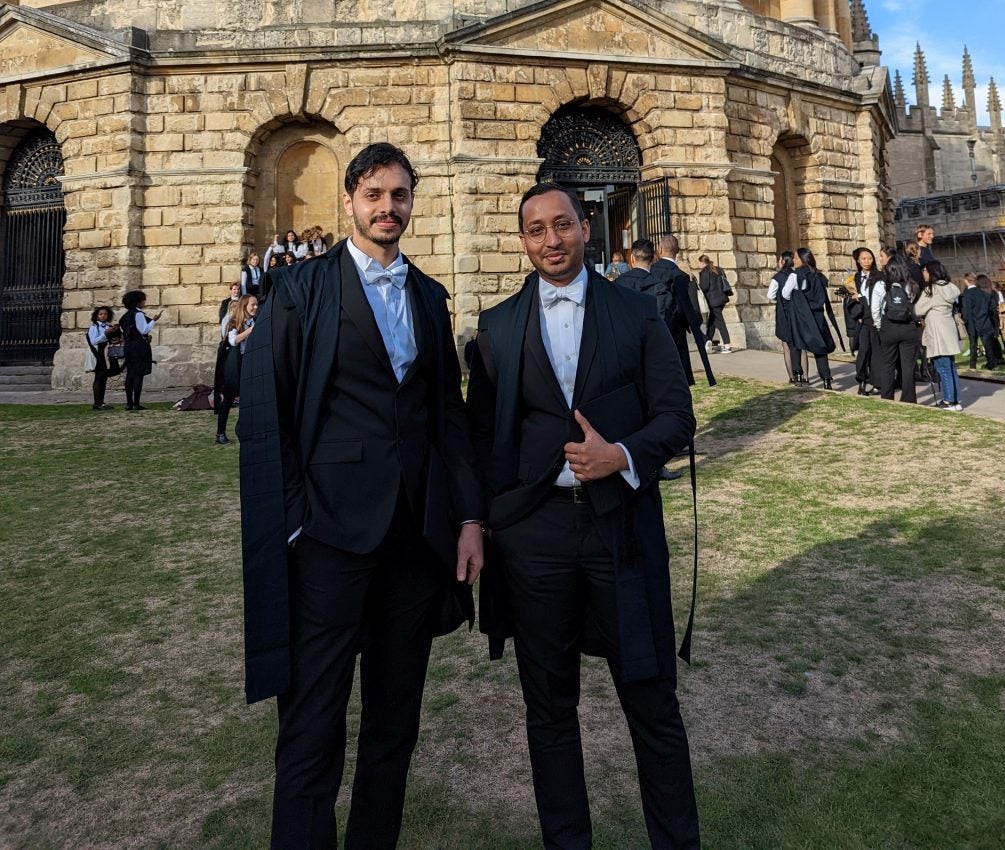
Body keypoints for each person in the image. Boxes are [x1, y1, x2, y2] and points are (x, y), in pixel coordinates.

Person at [237, 142, 485, 849]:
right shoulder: (299, 290)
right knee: (312, 724)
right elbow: (269, 418)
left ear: (412, 202)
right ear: (348, 200)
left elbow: (448, 418)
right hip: (325, 543)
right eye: (374, 195)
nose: (388, 208)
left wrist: (468, 516)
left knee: (394, 724)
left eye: (399, 195)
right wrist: (293, 525)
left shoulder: (431, 297)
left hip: (413, 541)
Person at [467, 182, 700, 850]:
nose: (551, 241)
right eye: (535, 230)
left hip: (619, 528)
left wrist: (621, 454)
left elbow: (676, 415)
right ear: (523, 240)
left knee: (651, 700)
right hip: (534, 534)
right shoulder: (499, 325)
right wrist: (483, 521)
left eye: (562, 225)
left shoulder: (636, 313)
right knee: (549, 709)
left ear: (585, 228)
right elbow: (481, 432)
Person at [614, 238, 684, 481]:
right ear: (653, 258)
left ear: (632, 258)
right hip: (650, 361)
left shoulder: (615, 286)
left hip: (620, 359)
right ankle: (654, 464)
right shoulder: (659, 286)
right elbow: (663, 327)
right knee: (654, 412)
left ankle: (625, 460)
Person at [649, 234, 714, 388]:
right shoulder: (682, 275)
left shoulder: (650, 272)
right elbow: (688, 309)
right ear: (677, 251)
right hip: (675, 331)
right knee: (677, 378)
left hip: (652, 330)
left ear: (660, 249)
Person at [781, 248, 836, 389]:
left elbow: (785, 294)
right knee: (819, 347)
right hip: (817, 315)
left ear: (804, 260)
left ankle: (798, 374)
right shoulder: (819, 276)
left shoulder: (795, 276)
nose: (794, 260)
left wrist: (797, 298)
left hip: (801, 315)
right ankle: (826, 379)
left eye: (796, 258)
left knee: (795, 344)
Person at [915, 260, 963, 410]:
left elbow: (918, 309)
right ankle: (956, 400)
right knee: (950, 365)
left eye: (925, 271)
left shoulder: (932, 290)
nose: (923, 274)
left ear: (931, 272)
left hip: (937, 330)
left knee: (942, 366)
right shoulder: (950, 287)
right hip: (948, 328)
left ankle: (949, 400)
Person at [872, 253, 920, 402]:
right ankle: (909, 399)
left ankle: (887, 397)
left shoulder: (881, 284)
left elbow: (875, 309)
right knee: (908, 366)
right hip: (908, 326)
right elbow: (913, 306)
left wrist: (880, 326)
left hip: (889, 326)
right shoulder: (911, 285)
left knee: (887, 364)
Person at [215, 295, 257, 444]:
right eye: (253, 305)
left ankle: (245, 431)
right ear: (245, 306)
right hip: (234, 365)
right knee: (228, 399)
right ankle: (220, 433)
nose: (255, 307)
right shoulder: (234, 322)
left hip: (248, 362)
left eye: (256, 304)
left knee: (249, 399)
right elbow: (233, 341)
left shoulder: (254, 321)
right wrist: (250, 331)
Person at [848, 247, 884, 395]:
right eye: (863, 258)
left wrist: (862, 298)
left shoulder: (879, 276)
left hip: (875, 318)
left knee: (876, 351)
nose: (867, 261)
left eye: (869, 258)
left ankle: (877, 382)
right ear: (858, 260)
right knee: (863, 350)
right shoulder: (855, 277)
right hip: (862, 320)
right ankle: (861, 380)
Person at [767, 251, 807, 384]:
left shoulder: (777, 277)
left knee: (786, 346)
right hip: (798, 312)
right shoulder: (798, 275)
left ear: (783, 262)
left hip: (783, 313)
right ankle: (805, 376)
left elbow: (770, 295)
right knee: (801, 346)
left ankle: (792, 376)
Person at [118, 290, 160, 411]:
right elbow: (144, 330)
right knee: (138, 374)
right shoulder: (138, 314)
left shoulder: (125, 316)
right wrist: (154, 320)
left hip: (129, 346)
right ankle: (136, 402)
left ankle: (129, 403)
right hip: (138, 346)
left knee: (130, 374)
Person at [86, 305, 121, 410]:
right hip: (99, 354)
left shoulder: (108, 326)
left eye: (105, 314)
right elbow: (94, 341)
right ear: (96, 316)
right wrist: (105, 334)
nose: (103, 316)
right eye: (101, 314)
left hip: (107, 353)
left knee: (104, 378)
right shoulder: (94, 327)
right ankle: (97, 403)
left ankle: (101, 402)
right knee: (99, 377)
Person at [963, 275, 1002, 370]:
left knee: (973, 344)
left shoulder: (968, 293)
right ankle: (991, 363)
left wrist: (966, 321)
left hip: (973, 322)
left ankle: (973, 365)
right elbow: (991, 309)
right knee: (987, 344)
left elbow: (967, 310)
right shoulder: (984, 293)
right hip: (985, 321)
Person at [697, 254, 731, 353]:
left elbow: (704, 287)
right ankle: (707, 341)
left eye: (699, 263)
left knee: (720, 322)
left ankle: (727, 344)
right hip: (722, 299)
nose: (698, 265)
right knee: (712, 321)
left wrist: (697, 286)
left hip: (713, 301)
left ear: (702, 263)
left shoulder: (705, 272)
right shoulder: (718, 269)